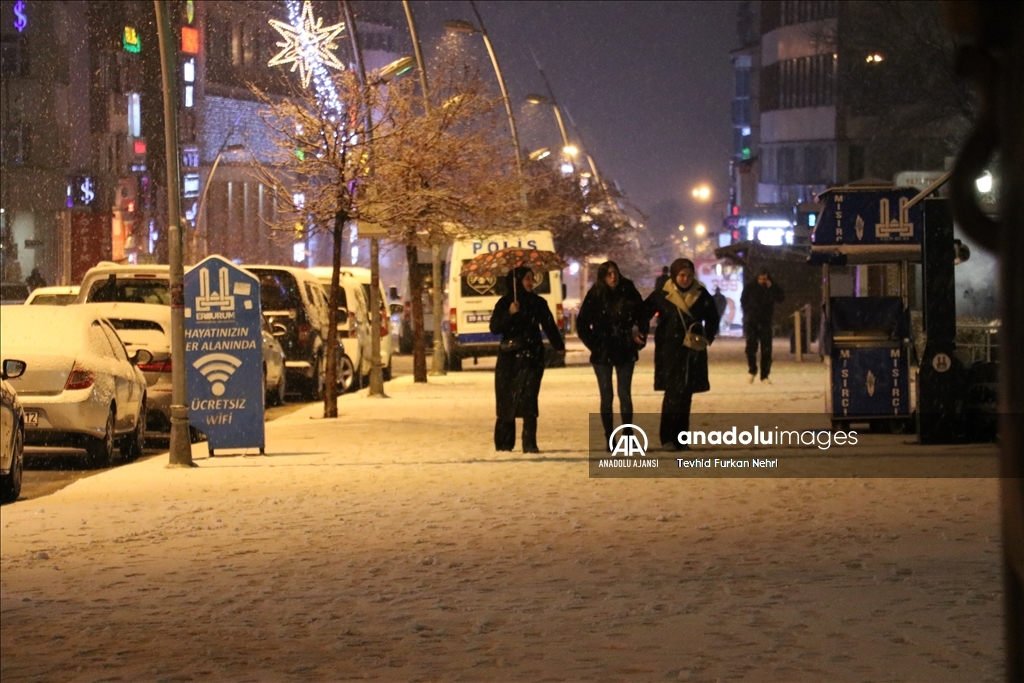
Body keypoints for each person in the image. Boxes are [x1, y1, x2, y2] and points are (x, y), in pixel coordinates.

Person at [644, 258, 719, 451]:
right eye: (681, 275)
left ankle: (681, 439)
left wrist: (706, 338)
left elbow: (712, 318)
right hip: (669, 350)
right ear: (674, 276)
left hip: (692, 351)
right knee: (672, 394)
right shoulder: (663, 295)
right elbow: (643, 313)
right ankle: (668, 438)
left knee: (686, 395)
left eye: (688, 275)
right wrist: (639, 332)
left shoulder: (701, 295)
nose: (685, 279)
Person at [489, 266, 566, 453]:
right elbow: (495, 327)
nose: (531, 282)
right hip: (508, 358)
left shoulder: (538, 303)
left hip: (532, 357)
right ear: (516, 282)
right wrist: (509, 313)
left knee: (529, 398)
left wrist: (559, 346)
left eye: (532, 278)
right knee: (507, 399)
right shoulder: (505, 303)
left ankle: (529, 442)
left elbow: (549, 325)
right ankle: (504, 443)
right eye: (527, 278)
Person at [576, 261, 648, 448]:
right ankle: (610, 437)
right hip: (603, 350)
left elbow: (642, 315)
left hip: (625, 347)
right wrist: (595, 344)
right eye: (608, 274)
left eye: (615, 272)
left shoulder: (628, 289)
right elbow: (582, 323)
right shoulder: (595, 294)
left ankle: (628, 434)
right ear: (603, 276)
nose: (613, 277)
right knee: (606, 396)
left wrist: (640, 335)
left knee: (625, 394)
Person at [741, 267, 785, 384]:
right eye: (761, 278)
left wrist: (771, 287)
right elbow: (743, 301)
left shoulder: (771, 287)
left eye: (765, 279)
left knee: (766, 350)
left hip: (765, 322)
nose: (762, 281)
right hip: (752, 322)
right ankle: (752, 370)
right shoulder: (750, 287)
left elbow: (780, 298)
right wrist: (748, 314)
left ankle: (764, 375)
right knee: (751, 348)